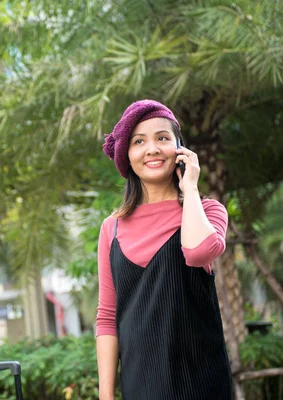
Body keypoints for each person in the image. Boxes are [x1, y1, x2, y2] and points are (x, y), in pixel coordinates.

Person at [96, 99, 233, 400]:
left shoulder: (208, 211)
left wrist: (192, 189)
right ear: (127, 156)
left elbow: (199, 252)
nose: (152, 149)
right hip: (140, 386)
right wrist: (105, 397)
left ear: (180, 149)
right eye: (139, 141)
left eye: (162, 138)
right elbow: (107, 318)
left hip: (201, 385)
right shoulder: (112, 228)